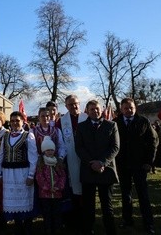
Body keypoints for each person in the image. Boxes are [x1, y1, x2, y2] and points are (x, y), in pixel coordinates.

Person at [75, 100, 119, 235]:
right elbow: (79, 148)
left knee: (107, 205)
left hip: (106, 170)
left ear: (102, 110)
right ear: (87, 111)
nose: (95, 111)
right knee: (88, 205)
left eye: (97, 108)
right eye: (92, 109)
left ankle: (110, 230)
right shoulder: (81, 127)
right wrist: (92, 163)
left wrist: (101, 162)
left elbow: (115, 147)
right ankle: (88, 229)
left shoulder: (111, 125)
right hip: (88, 170)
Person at [114, 97, 158, 234]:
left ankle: (148, 223)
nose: (129, 110)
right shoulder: (115, 123)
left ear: (135, 108)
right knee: (125, 195)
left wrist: (149, 162)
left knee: (143, 195)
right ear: (121, 109)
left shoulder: (143, 121)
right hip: (122, 165)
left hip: (140, 165)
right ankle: (127, 220)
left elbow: (153, 142)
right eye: (126, 108)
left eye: (131, 107)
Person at [0, 111, 38, 235]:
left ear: (23, 122)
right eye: (12, 121)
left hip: (23, 172)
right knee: (13, 202)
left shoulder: (28, 136)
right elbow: (1, 155)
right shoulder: (6, 136)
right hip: (8, 173)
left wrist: (31, 175)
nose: (14, 123)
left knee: (25, 199)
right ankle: (18, 226)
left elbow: (33, 156)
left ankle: (28, 226)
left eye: (17, 120)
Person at [57, 94, 88, 230]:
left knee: (87, 189)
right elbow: (59, 141)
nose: (74, 106)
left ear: (79, 104)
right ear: (66, 106)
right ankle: (75, 218)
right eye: (70, 105)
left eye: (75, 103)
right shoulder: (62, 121)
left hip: (87, 159)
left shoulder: (86, 118)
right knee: (74, 189)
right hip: (70, 159)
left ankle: (87, 218)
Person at [35, 136, 66, 235]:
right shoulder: (41, 163)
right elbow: (40, 178)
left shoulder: (57, 163)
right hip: (45, 195)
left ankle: (57, 229)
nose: (50, 152)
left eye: (52, 150)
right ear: (44, 151)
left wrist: (59, 187)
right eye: (47, 150)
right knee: (47, 214)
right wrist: (48, 188)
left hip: (57, 194)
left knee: (56, 213)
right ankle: (48, 229)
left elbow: (62, 176)